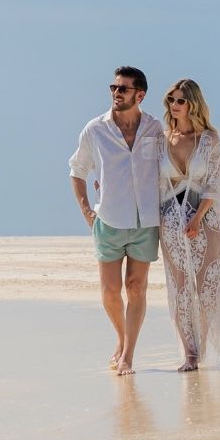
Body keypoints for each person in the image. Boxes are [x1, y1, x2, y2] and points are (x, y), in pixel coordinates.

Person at [69, 66, 167, 376]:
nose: (116, 93)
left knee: (136, 287)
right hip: (108, 219)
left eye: (123, 89)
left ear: (140, 95)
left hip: (146, 220)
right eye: (113, 87)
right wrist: (87, 212)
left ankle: (128, 354)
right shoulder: (95, 129)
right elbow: (77, 170)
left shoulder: (155, 129)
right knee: (111, 291)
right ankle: (122, 338)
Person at [156, 78, 220, 371]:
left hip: (205, 219)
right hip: (170, 219)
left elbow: (216, 184)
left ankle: (207, 349)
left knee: (207, 285)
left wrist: (197, 219)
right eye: (171, 100)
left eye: (180, 101)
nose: (174, 106)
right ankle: (189, 353)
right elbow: (150, 180)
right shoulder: (161, 140)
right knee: (179, 286)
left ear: (193, 104)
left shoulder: (210, 139)